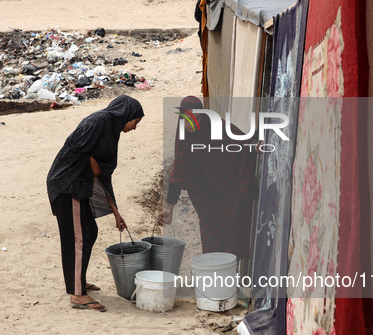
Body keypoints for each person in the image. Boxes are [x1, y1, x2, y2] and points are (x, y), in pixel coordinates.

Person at [47, 95, 144, 312]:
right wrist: (91, 161)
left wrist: (116, 213)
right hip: (67, 185)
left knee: (89, 231)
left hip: (79, 187)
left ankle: (78, 281)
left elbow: (103, 176)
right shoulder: (98, 121)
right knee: (78, 239)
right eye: (135, 122)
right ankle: (78, 295)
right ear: (125, 115)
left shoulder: (111, 131)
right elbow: (74, 146)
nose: (135, 128)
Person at [162, 96, 258, 261]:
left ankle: (231, 278)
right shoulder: (183, 138)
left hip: (229, 193)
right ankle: (214, 279)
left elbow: (240, 142)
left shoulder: (217, 127)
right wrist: (169, 207)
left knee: (232, 240)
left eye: (196, 118)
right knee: (211, 241)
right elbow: (179, 171)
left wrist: (255, 146)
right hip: (205, 199)